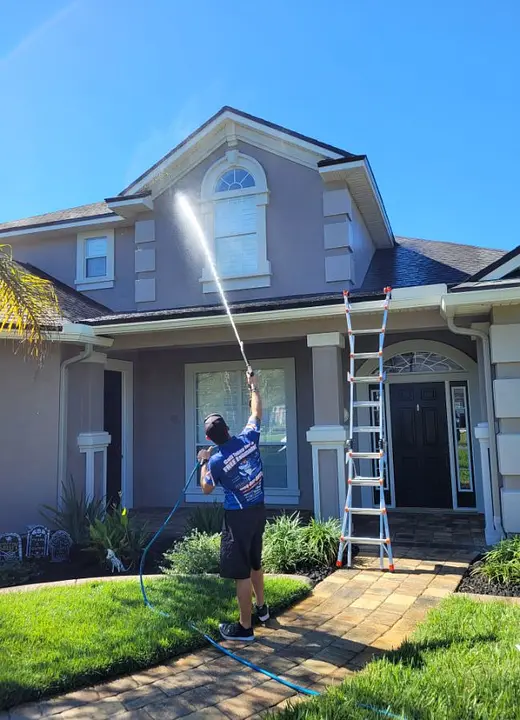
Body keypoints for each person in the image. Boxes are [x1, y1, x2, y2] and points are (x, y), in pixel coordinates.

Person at [197, 369, 268, 642]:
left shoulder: (216, 462)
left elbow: (206, 488)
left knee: (241, 573)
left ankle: (245, 627)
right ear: (227, 428)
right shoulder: (249, 438)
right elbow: (256, 413)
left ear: (209, 439)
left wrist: (204, 461)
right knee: (255, 563)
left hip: (237, 519)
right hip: (258, 511)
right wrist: (254, 386)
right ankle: (262, 608)